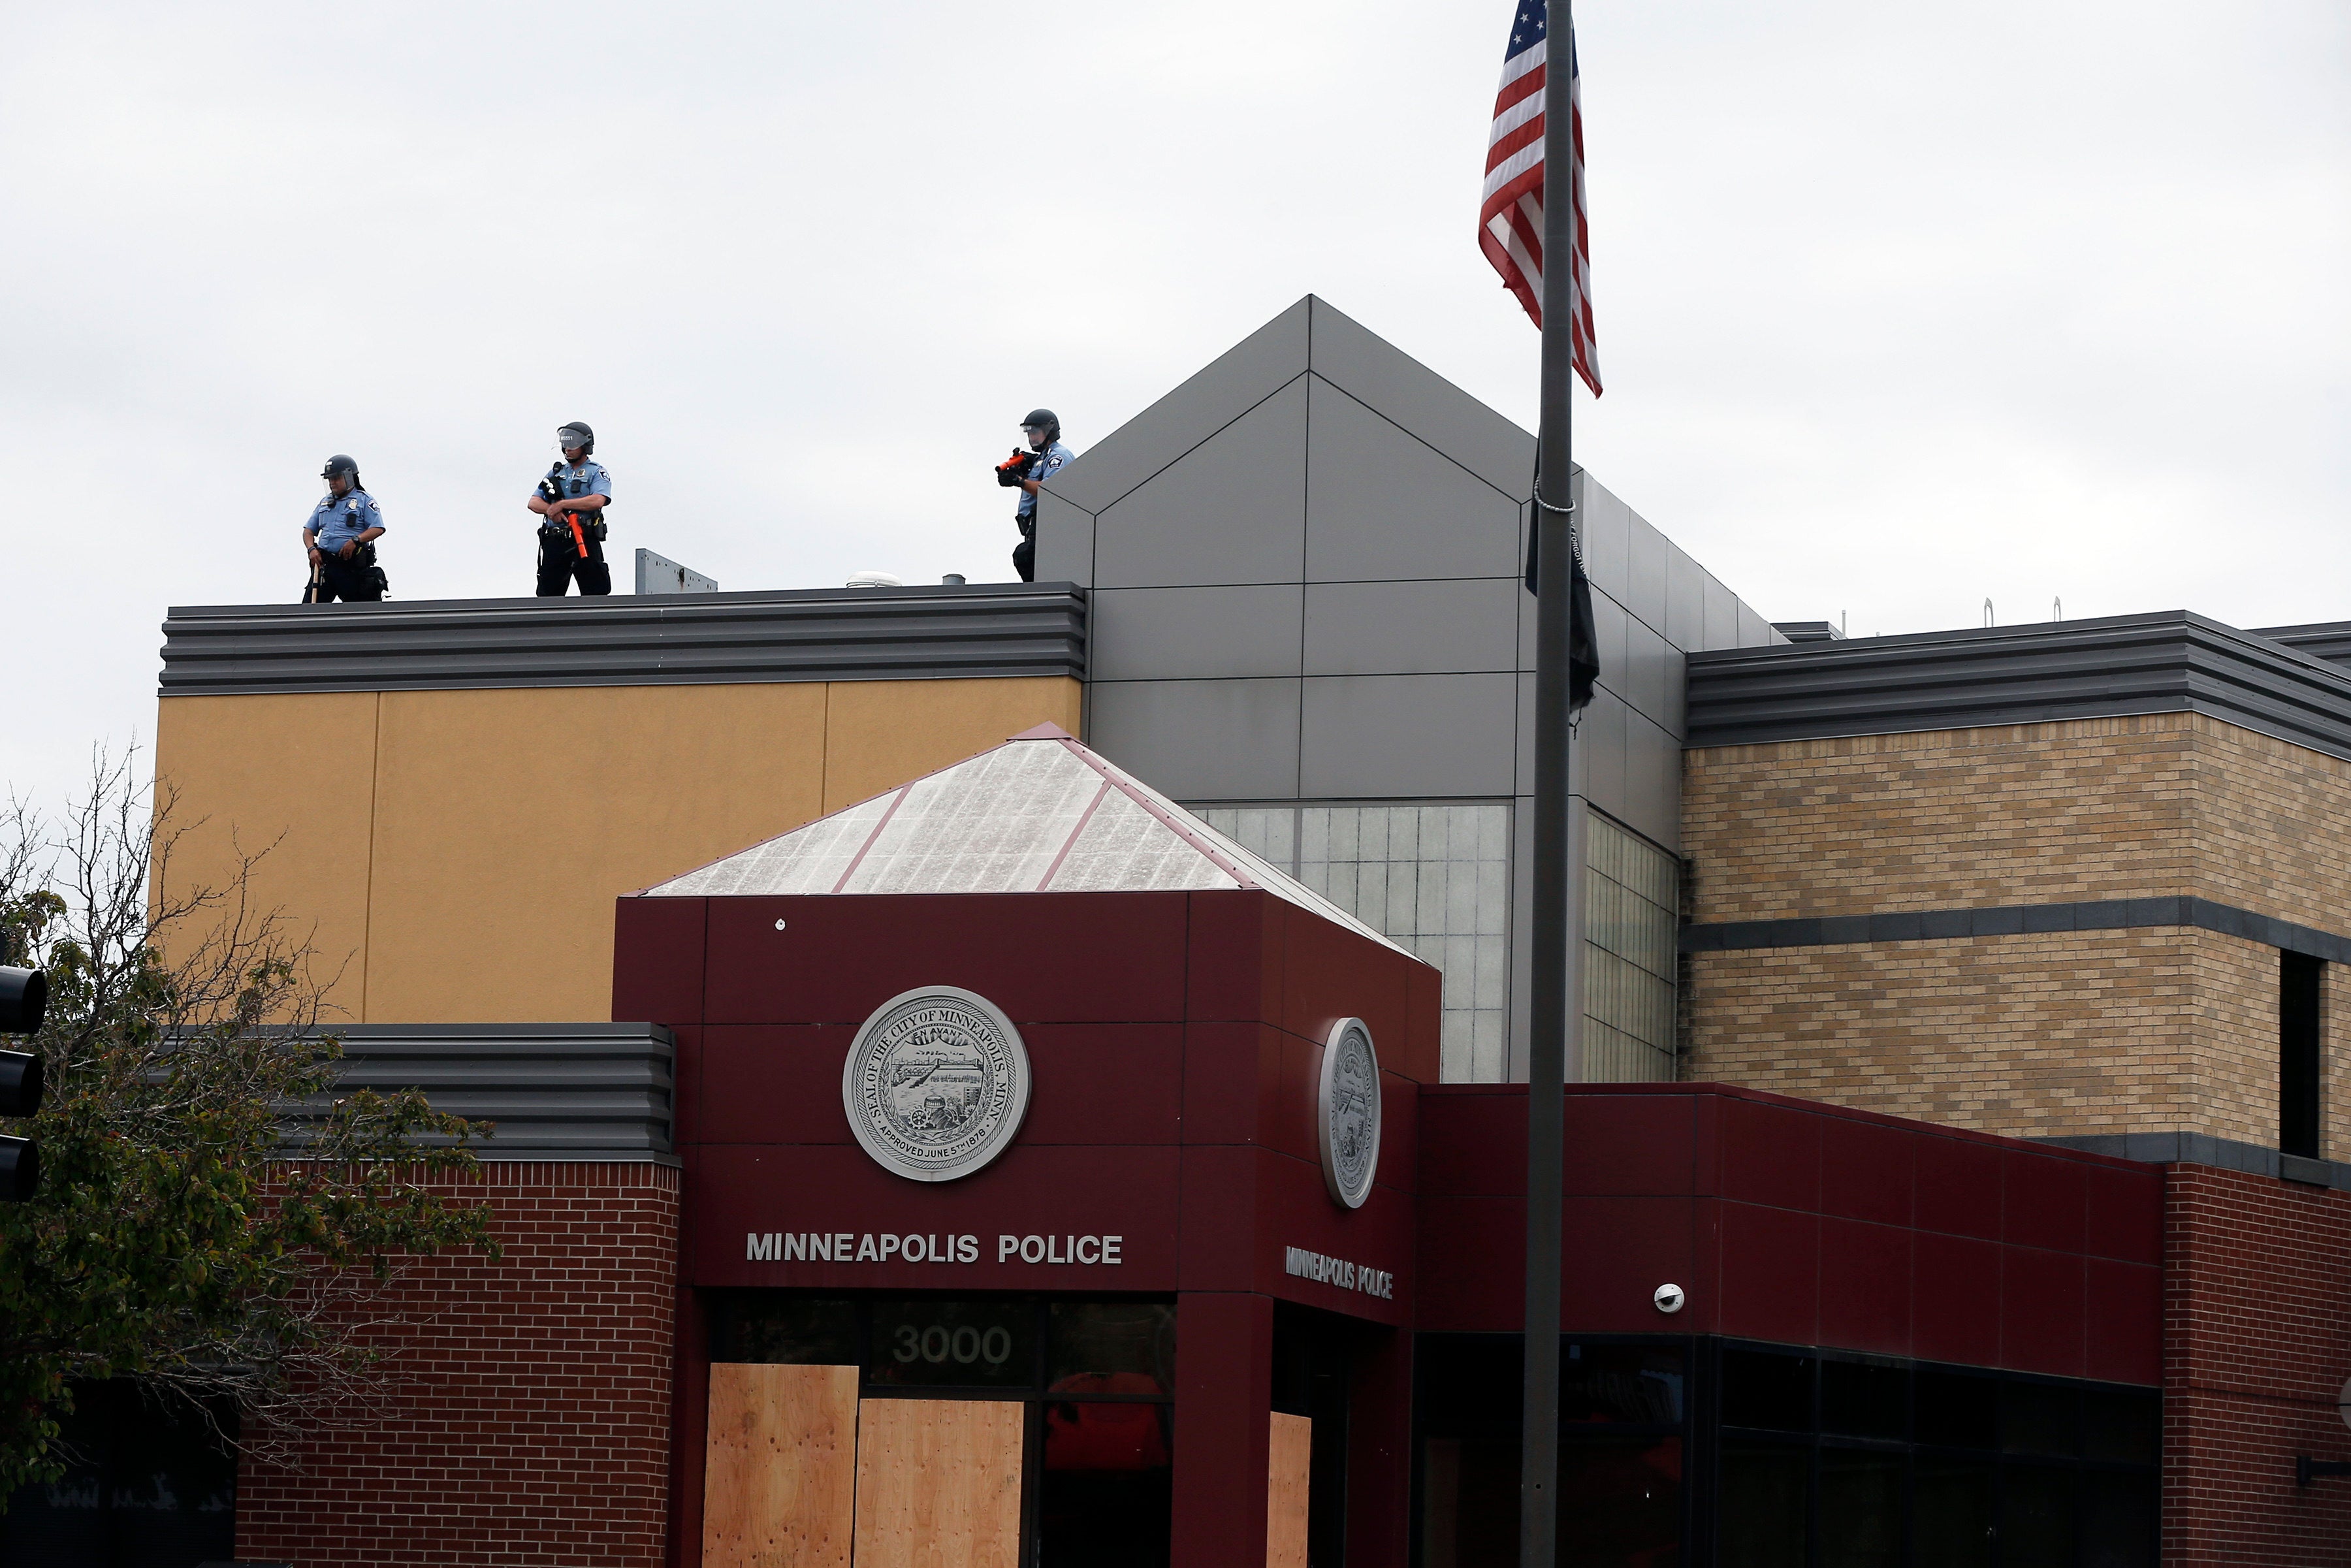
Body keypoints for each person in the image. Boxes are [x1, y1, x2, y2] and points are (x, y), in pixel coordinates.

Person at [528, 421, 613, 596]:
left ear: (585, 446)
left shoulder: (596, 472)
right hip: (556, 541)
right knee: (548, 595)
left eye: (573, 444)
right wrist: (551, 510)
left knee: (596, 593)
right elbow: (534, 502)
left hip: (584, 539)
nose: (568, 449)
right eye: (565, 444)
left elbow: (598, 500)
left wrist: (563, 505)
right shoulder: (556, 473)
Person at [995, 408, 1074, 583]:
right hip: (1034, 529)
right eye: (1029, 433)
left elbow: (1051, 491)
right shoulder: (1043, 458)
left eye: (1036, 432)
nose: (1032, 437)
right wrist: (1025, 472)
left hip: (1049, 528)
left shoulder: (1057, 456)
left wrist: (1018, 480)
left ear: (1049, 431)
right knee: (1025, 558)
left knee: (1025, 557)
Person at [301, 455, 387, 603]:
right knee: (308, 612)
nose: (332, 483)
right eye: (329, 479)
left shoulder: (364, 500)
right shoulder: (325, 502)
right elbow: (308, 531)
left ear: (349, 477)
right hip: (325, 566)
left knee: (358, 614)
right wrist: (311, 550)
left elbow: (378, 528)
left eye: (336, 478)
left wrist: (356, 540)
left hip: (350, 567)